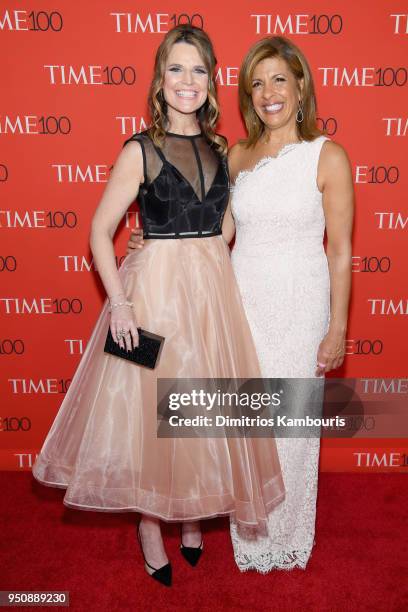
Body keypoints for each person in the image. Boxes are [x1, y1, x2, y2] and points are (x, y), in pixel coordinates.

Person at [32, 25, 285, 587]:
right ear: (160, 78)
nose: (187, 81)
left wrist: (203, 254)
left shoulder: (222, 148)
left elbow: (225, 224)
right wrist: (120, 306)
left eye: (198, 70)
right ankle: (150, 524)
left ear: (211, 80)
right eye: (176, 68)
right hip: (151, 297)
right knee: (151, 414)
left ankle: (191, 516)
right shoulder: (139, 149)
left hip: (210, 296)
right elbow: (100, 232)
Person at [128, 35, 354, 572]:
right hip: (241, 299)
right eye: (256, 82)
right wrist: (154, 240)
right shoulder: (237, 153)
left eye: (279, 79)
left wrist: (338, 325)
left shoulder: (329, 155)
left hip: (300, 301)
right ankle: (248, 534)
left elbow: (342, 251)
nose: (268, 92)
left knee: (292, 425)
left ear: (301, 86)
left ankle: (287, 534)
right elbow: (218, 229)